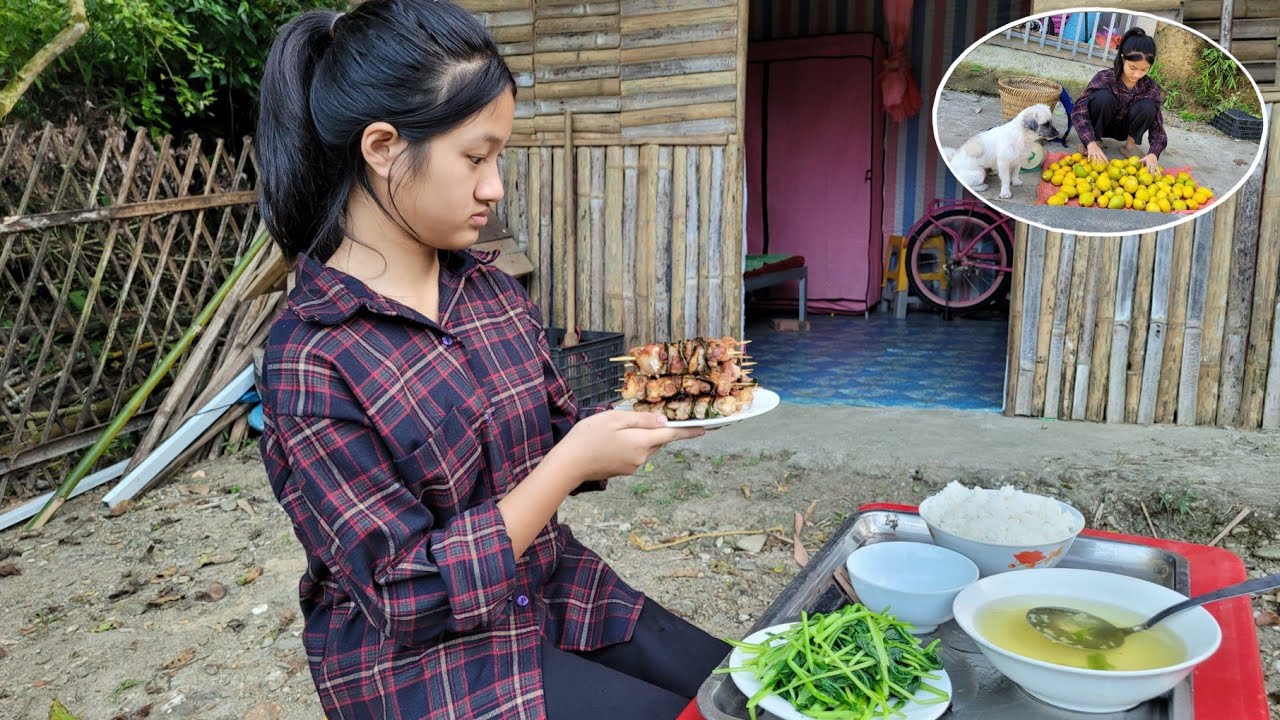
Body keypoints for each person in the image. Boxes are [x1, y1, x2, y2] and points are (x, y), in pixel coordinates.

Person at [253, 2, 728, 718]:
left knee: (743, 684)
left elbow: (557, 426)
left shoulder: (491, 293)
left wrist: (675, 392)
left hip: (549, 586)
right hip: (418, 661)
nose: (494, 185)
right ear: (381, 147)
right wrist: (572, 462)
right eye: (475, 157)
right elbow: (404, 593)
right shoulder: (311, 356)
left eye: (498, 157)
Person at [1070, 27, 1167, 174]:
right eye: (1133, 68)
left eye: (1144, 70)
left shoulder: (1150, 87)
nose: (1137, 74)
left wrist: (1154, 153)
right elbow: (1079, 112)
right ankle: (1096, 142)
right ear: (1123, 59)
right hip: (1102, 126)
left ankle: (1130, 146)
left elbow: (1157, 127)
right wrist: (1089, 142)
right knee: (1102, 97)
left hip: (1127, 130)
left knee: (1149, 106)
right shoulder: (1105, 78)